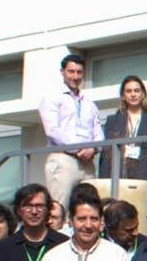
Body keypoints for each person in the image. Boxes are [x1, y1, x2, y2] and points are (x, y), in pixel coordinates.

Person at [39, 53, 103, 209]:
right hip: (63, 159)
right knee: (59, 208)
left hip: (87, 163)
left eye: (79, 72)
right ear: (62, 72)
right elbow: (52, 130)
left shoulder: (89, 103)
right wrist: (79, 149)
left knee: (89, 208)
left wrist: (93, 149)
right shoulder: (52, 97)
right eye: (71, 71)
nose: (75, 76)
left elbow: (98, 132)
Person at [102, 74, 147, 217]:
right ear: (123, 96)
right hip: (119, 172)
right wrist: (104, 178)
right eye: (129, 91)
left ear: (143, 94)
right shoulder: (113, 120)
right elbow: (106, 154)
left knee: (141, 213)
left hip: (144, 173)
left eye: (136, 90)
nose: (133, 94)